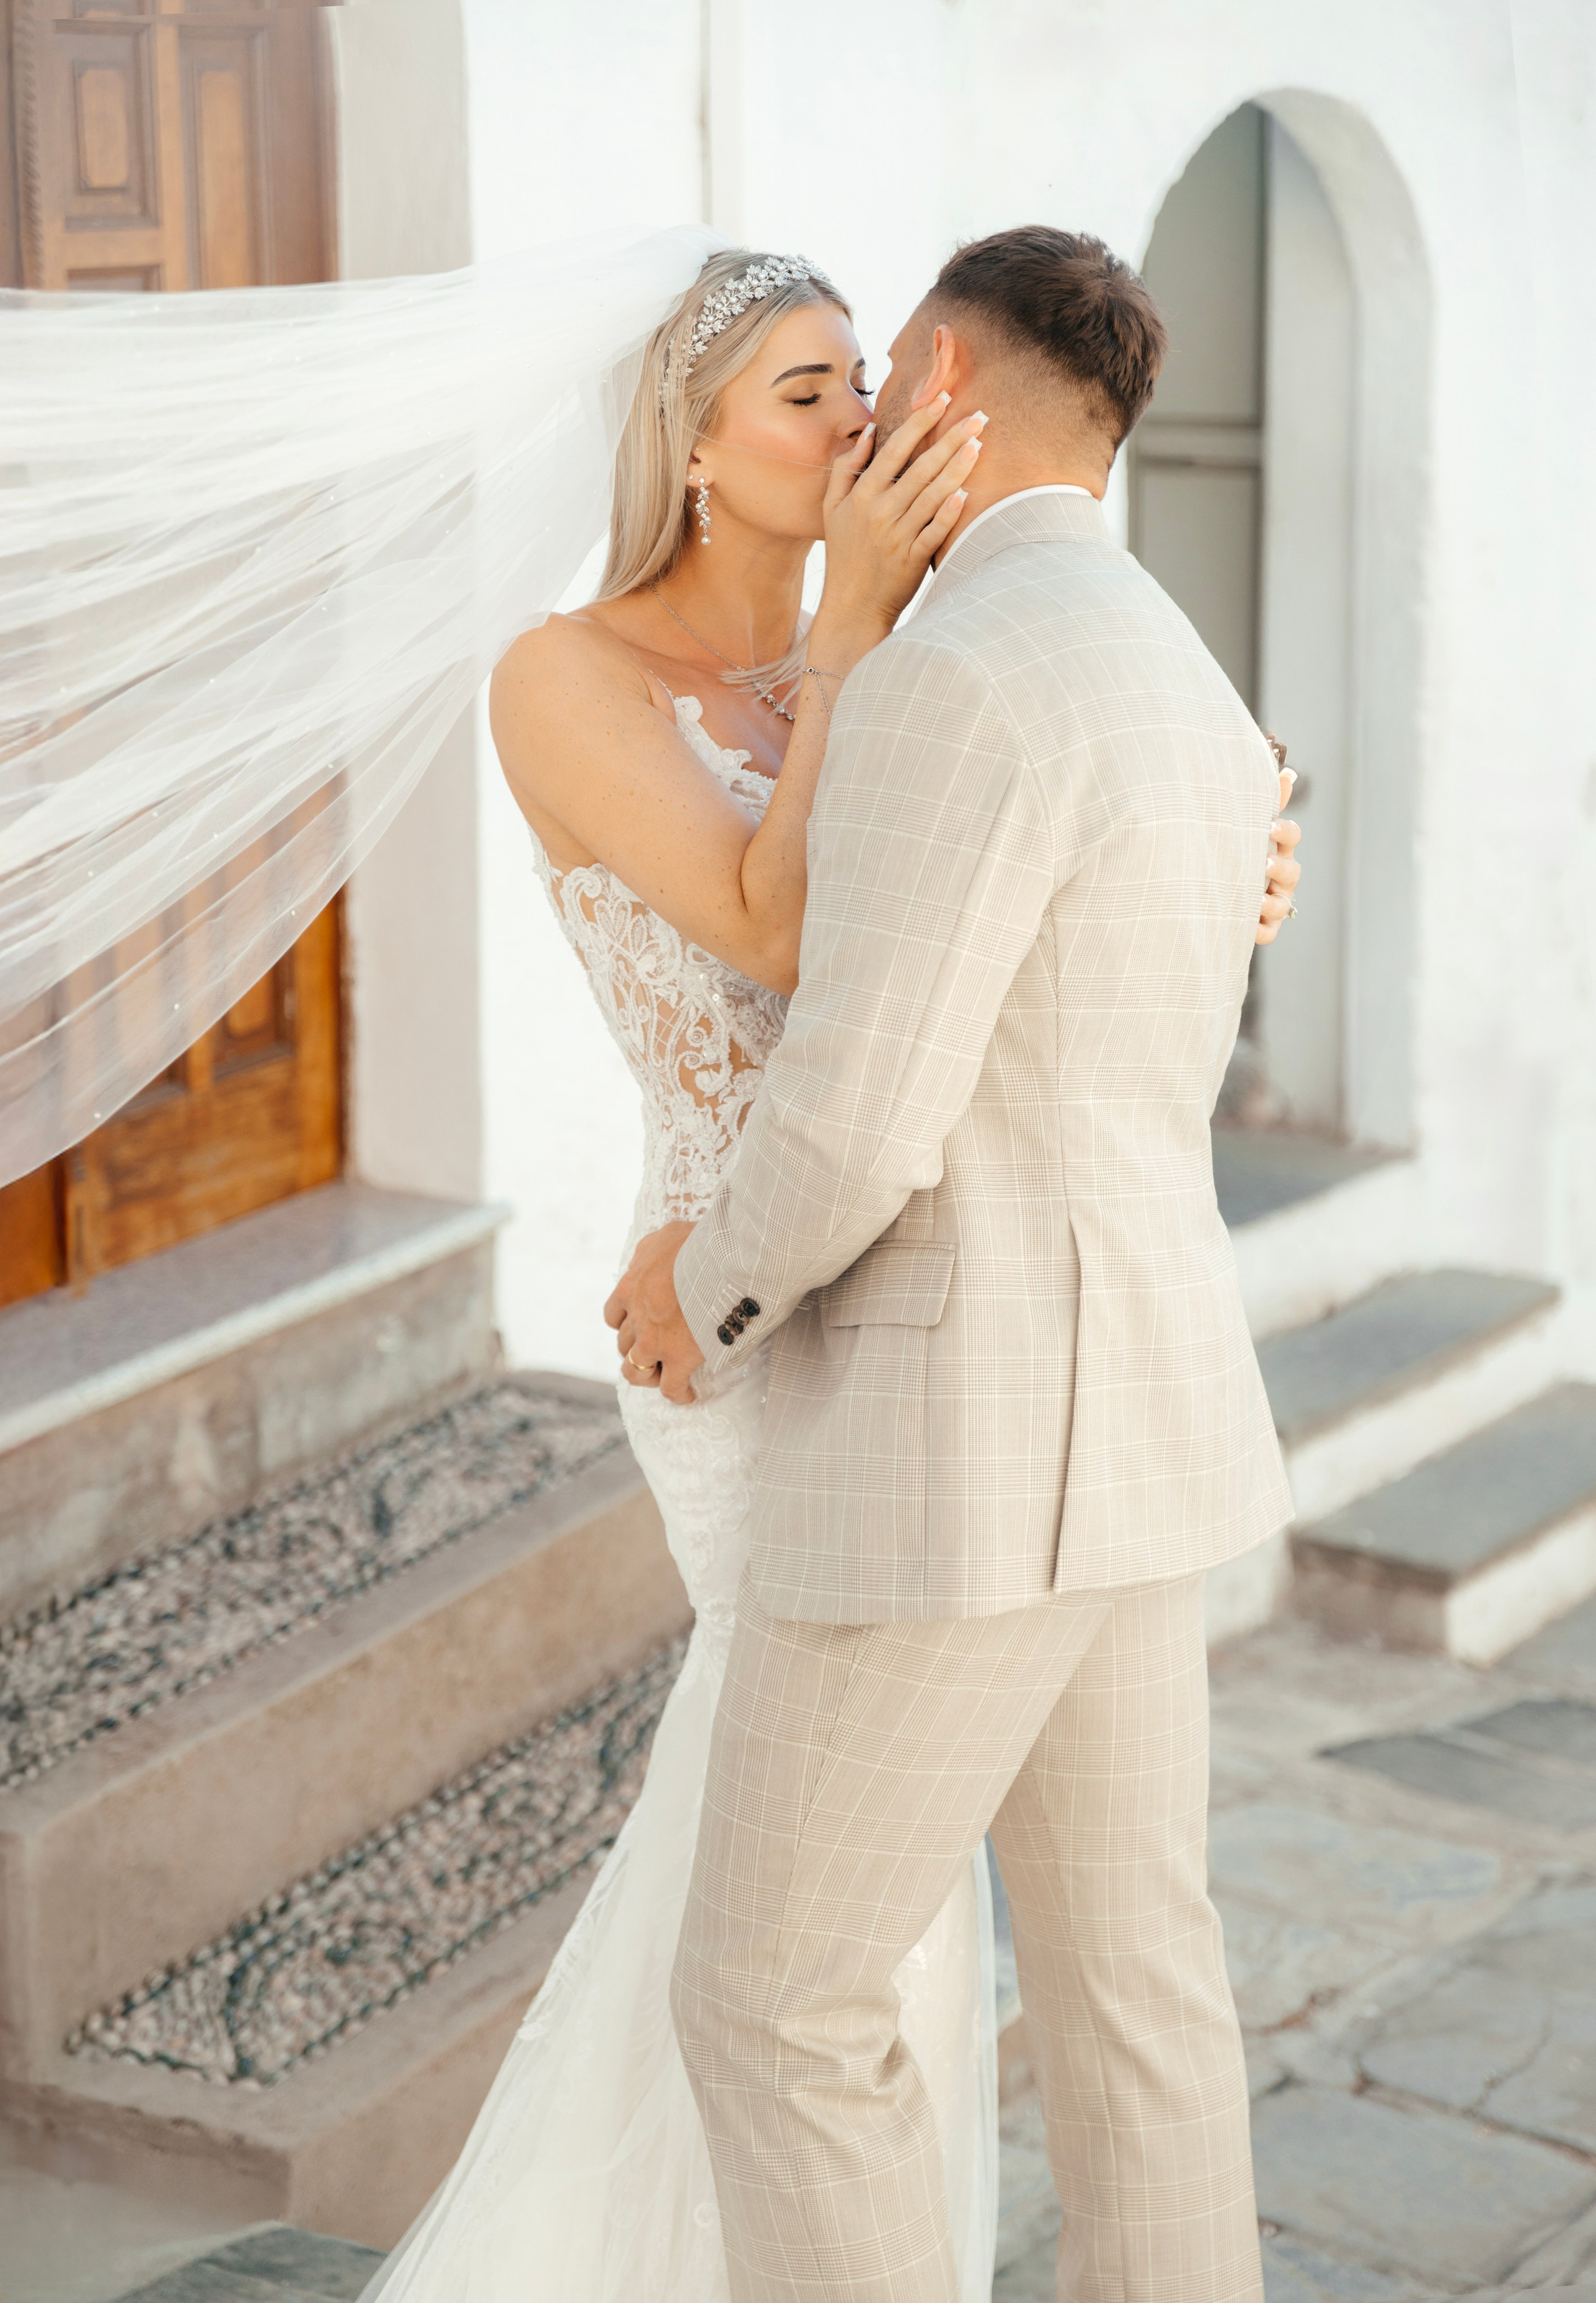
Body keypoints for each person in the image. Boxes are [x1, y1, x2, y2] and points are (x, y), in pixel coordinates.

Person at [366, 241, 1300, 2303]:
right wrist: (881, 631)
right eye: (808, 388)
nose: (859, 415)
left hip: (894, 1366)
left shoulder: (962, 652)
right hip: (912, 1376)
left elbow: (890, 1055)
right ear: (690, 449)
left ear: (949, 367)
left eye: (868, 373)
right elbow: (800, 937)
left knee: (806, 1994)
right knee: (1045, 1976)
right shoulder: (610, 668)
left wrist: (711, 1290)